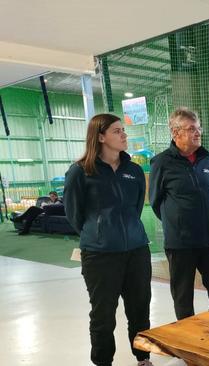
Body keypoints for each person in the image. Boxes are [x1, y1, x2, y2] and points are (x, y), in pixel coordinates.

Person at [64, 114, 152, 366]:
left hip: (136, 251)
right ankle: (103, 362)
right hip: (100, 256)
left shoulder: (134, 171)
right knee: (103, 316)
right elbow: (74, 215)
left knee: (139, 311)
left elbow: (135, 208)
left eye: (123, 130)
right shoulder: (80, 172)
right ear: (100, 136)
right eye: (117, 131)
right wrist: (100, 233)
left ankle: (143, 358)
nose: (124, 135)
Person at [149, 107, 209, 320]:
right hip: (181, 244)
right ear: (176, 133)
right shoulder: (161, 163)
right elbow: (155, 202)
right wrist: (178, 222)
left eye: (198, 127)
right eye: (191, 128)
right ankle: (188, 343)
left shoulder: (206, 158)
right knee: (183, 297)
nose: (198, 132)